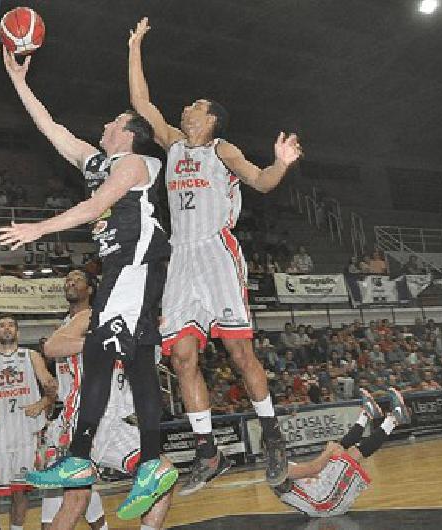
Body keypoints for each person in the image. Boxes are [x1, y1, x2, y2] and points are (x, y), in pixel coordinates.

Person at [0, 47, 176, 521]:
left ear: (130, 134)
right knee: (136, 360)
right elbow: (51, 128)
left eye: (115, 121)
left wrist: (38, 229)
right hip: (124, 268)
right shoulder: (98, 163)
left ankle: (79, 457)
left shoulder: (137, 163)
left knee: (98, 348)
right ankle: (153, 463)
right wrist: (18, 80)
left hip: (137, 264)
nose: (105, 126)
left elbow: (97, 208)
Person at [128, 17, 302, 494]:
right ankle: (208, 452)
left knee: (239, 350)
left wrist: (281, 165)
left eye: (196, 106)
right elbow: (141, 102)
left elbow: (263, 182)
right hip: (181, 259)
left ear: (210, 121)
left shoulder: (221, 150)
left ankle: (272, 436)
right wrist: (136, 45)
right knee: (182, 358)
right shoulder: (171, 144)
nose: (187, 108)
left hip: (216, 253)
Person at [38, 270, 174, 528]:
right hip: (83, 415)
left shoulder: (135, 323)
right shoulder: (91, 317)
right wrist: (100, 342)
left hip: (115, 420)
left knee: (162, 474)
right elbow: (51, 347)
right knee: (76, 499)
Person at [0, 314, 57, 530]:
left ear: (18, 332)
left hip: (24, 433)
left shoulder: (31, 356)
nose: (6, 329)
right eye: (1, 326)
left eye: (11, 325)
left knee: (20, 489)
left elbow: (52, 387)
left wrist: (44, 402)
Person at [273, 388, 410, 516]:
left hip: (321, 502)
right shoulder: (276, 468)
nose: (283, 443)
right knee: (349, 455)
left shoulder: (277, 464)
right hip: (323, 502)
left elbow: (309, 474)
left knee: (338, 453)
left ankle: (366, 415)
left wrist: (329, 454)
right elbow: (313, 469)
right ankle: (393, 419)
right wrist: (327, 452)